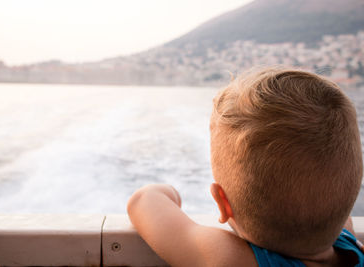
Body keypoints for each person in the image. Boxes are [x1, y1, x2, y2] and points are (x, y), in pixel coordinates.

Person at [127, 67, 364, 267]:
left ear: (223, 202)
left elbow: (143, 201)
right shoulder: (350, 242)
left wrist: (169, 191)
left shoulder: (230, 258)